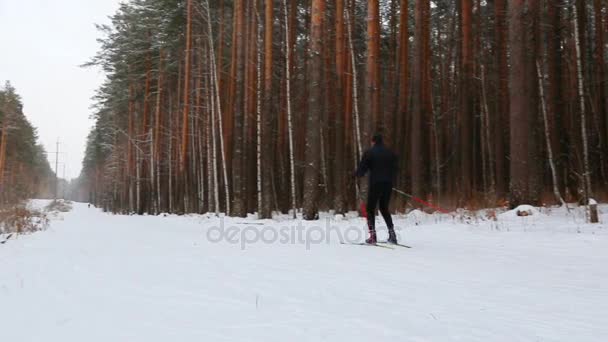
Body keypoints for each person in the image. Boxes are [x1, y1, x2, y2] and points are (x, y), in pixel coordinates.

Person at [355, 133, 398, 244]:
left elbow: (362, 169)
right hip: (388, 184)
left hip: (375, 184)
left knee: (370, 209)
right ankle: (392, 234)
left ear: (373, 142)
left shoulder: (370, 153)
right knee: (384, 208)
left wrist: (357, 174)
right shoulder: (390, 153)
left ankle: (373, 236)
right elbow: (395, 168)